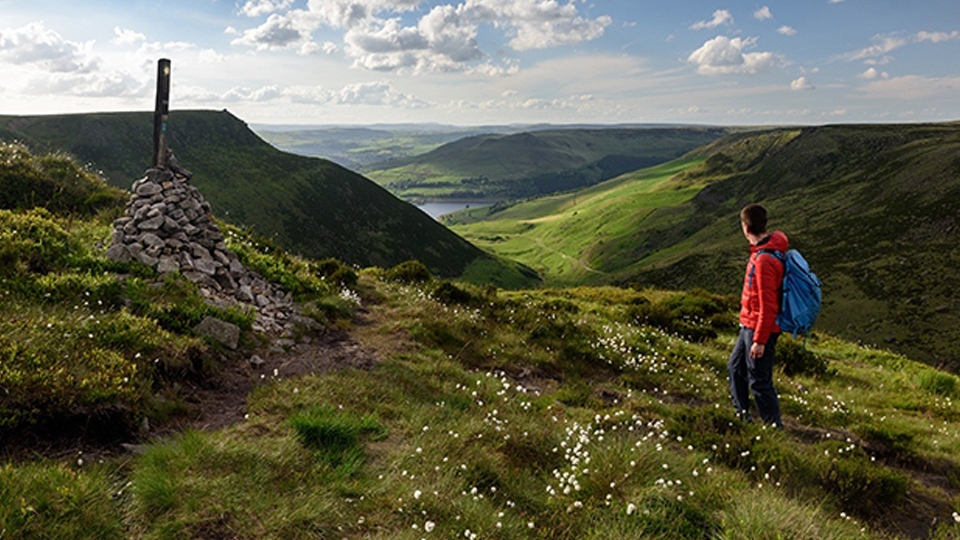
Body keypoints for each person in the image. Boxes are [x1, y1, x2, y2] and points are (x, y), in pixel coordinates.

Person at [728, 203, 787, 429]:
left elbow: (768, 306)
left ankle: (774, 429)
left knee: (760, 382)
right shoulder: (768, 250)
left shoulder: (763, 260)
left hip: (758, 329)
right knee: (735, 368)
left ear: (745, 228)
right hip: (749, 325)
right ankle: (742, 417)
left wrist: (760, 340)